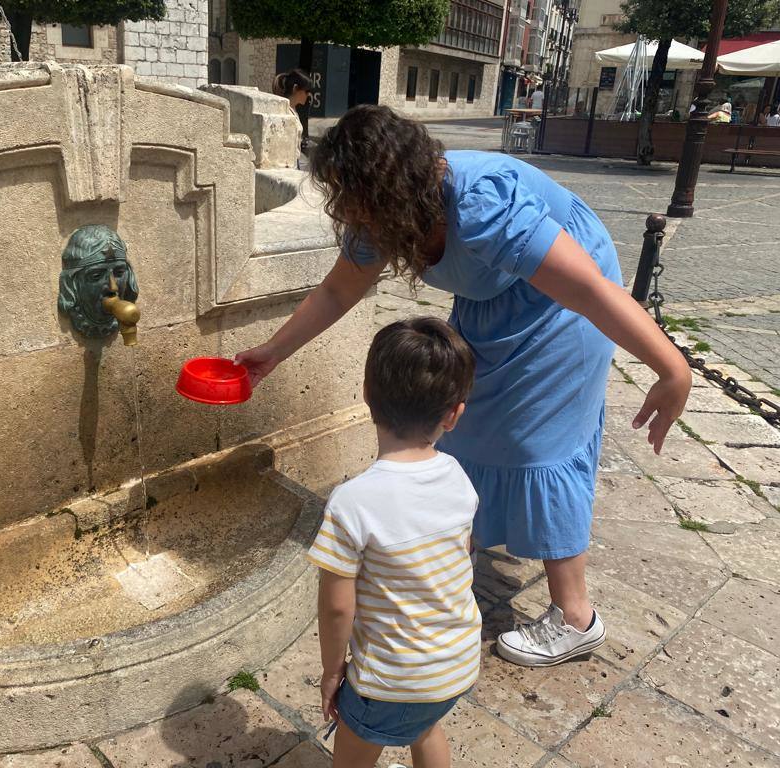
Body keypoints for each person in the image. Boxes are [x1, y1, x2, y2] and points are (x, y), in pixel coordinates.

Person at [236, 105, 691, 667]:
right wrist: (271, 355)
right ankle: (453, 565)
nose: (344, 212)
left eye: (351, 198)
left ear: (388, 189)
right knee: (463, 423)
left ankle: (576, 618)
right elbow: (337, 292)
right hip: (494, 300)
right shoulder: (379, 220)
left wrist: (672, 367)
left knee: (537, 443)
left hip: (564, 303)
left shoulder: (482, 208)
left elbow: (592, 293)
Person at [308, 317, 479, 767]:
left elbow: (338, 607)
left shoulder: (351, 504)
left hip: (391, 679)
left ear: (366, 394)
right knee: (425, 727)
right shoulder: (458, 479)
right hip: (456, 662)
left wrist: (331, 674)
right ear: (454, 414)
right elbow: (461, 558)